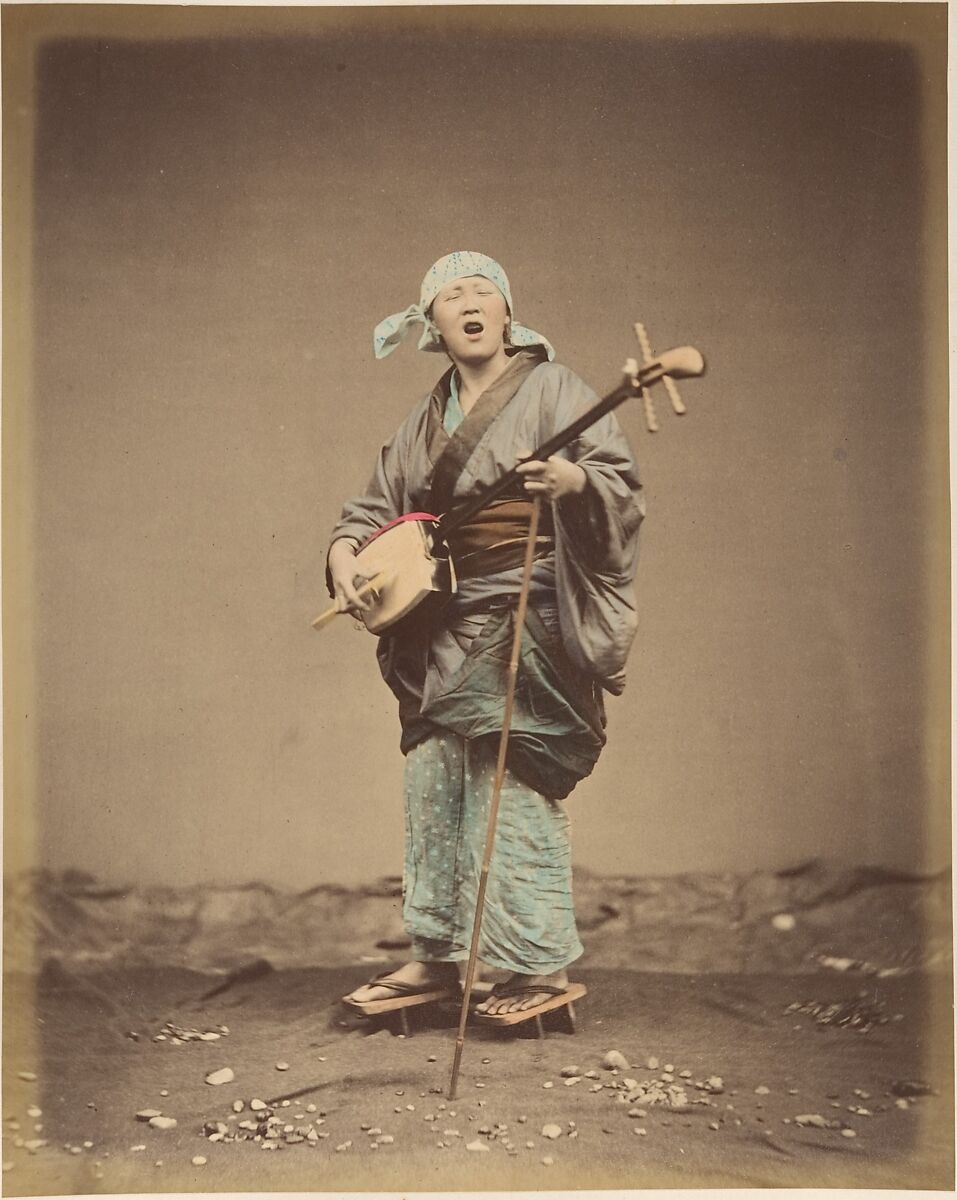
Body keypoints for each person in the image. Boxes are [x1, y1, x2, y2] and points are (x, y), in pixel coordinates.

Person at [326, 251, 644, 1019]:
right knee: (432, 777)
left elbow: (618, 488)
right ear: (431, 325)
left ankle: (536, 965)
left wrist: (574, 484)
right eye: (451, 296)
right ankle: (435, 957)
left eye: (482, 293)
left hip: (524, 617)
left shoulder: (555, 390)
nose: (469, 305)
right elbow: (374, 510)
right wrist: (344, 555)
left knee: (510, 780)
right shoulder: (423, 421)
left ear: (507, 313)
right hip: (440, 619)